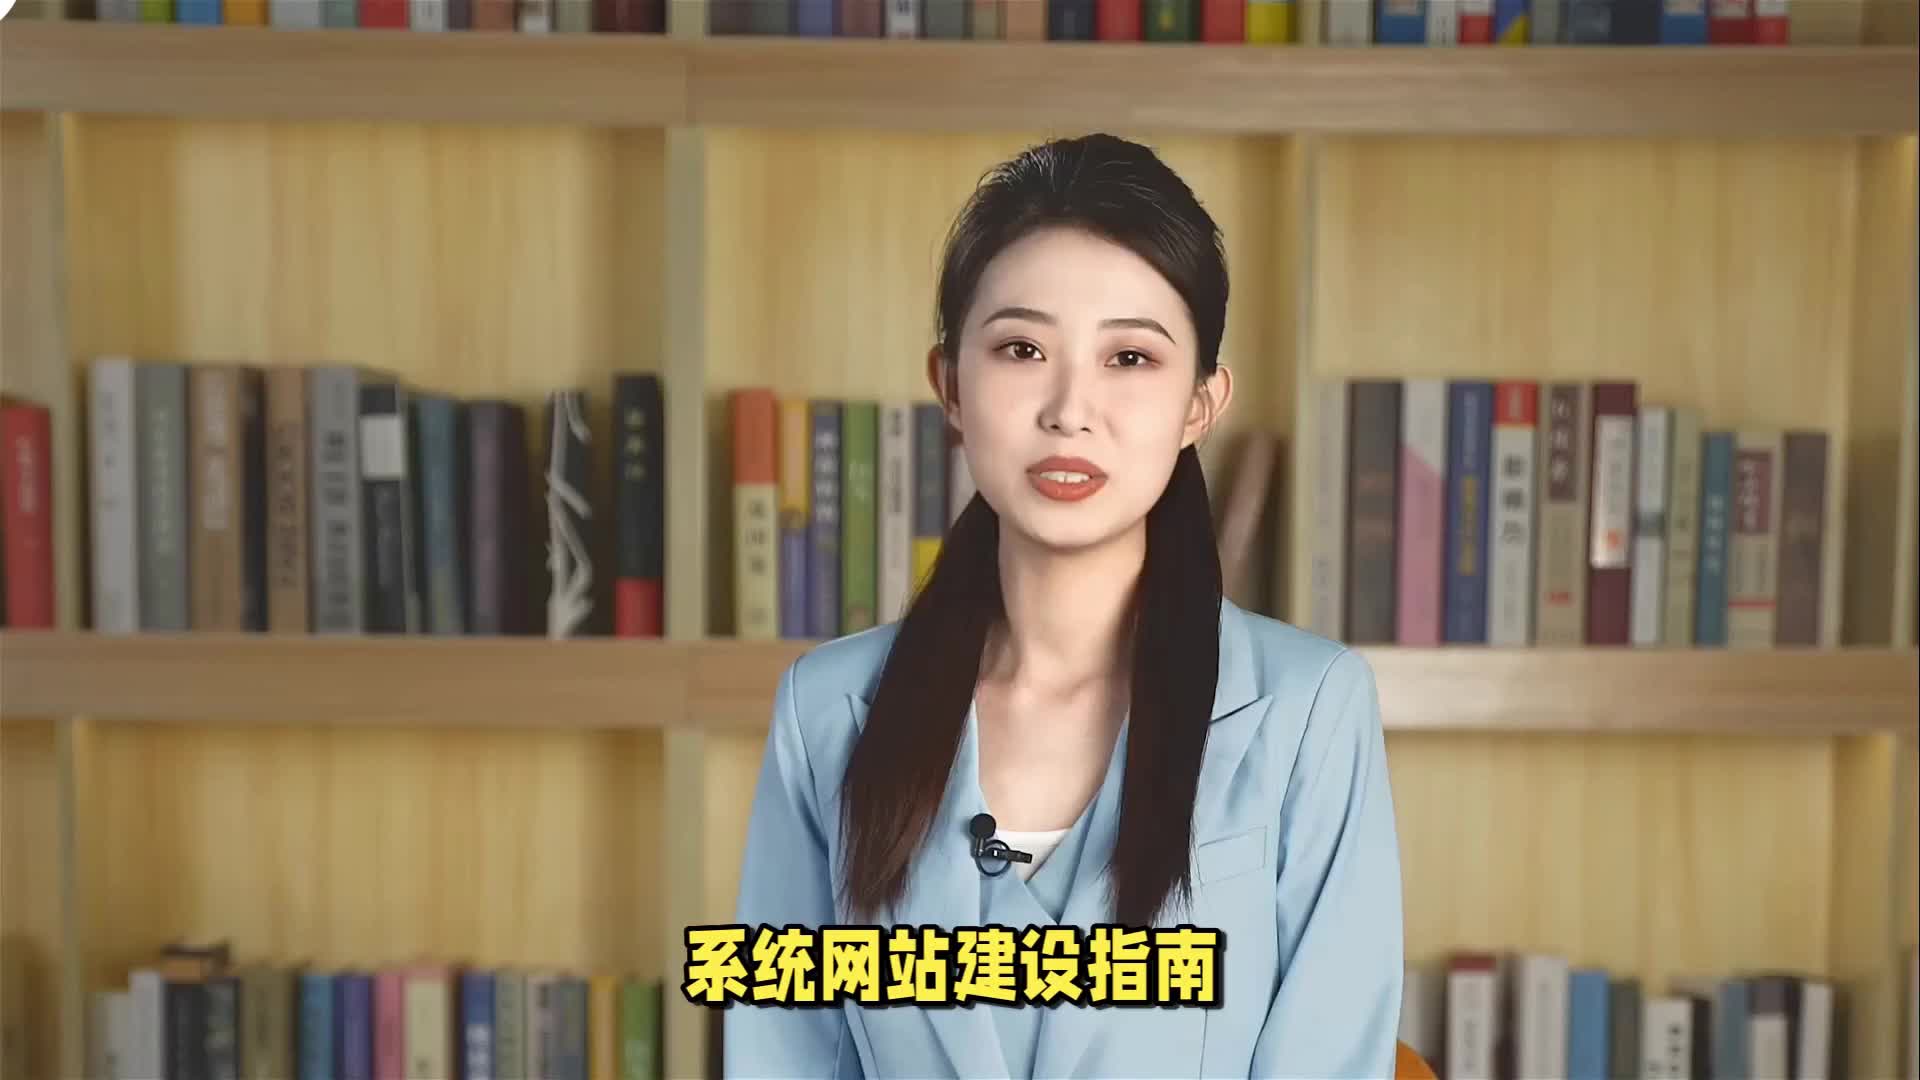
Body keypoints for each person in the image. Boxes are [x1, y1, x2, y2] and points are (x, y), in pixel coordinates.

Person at [722, 132, 1403, 1079]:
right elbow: (782, 1053)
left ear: (1201, 404)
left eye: (1130, 357)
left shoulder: (1309, 711)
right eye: (1022, 348)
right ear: (950, 385)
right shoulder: (825, 711)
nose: (1069, 409)